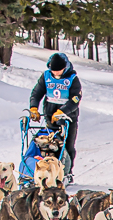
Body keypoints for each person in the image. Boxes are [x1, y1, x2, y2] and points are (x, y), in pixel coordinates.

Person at [29, 52, 82, 184]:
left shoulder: (72, 78)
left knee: (67, 145)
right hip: (49, 115)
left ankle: (67, 171)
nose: (56, 73)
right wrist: (34, 107)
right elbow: (37, 92)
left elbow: (75, 99)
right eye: (54, 70)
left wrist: (62, 111)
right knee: (49, 143)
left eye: (59, 71)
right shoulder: (46, 76)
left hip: (68, 117)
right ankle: (46, 170)